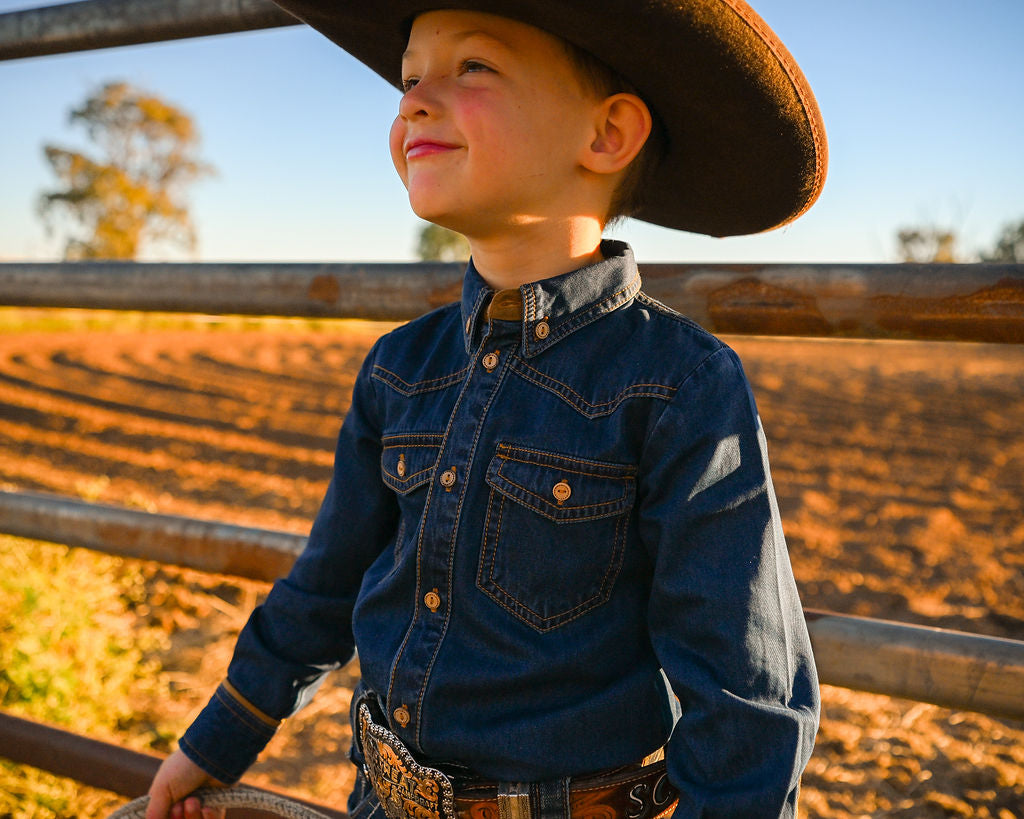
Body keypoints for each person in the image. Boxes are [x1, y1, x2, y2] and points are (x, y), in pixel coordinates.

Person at [145, 2, 827, 818]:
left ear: (606, 135)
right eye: (408, 78)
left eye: (472, 67)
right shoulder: (400, 368)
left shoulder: (678, 384)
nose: (413, 101)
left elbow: (743, 690)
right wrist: (214, 741)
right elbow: (323, 590)